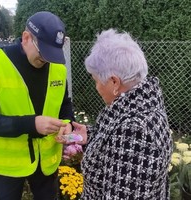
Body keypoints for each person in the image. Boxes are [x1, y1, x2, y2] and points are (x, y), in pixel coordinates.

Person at [58, 29, 173, 199]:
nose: (96, 87)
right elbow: (113, 139)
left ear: (114, 82)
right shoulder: (137, 103)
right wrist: (86, 135)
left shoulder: (135, 131)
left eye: (96, 81)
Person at [0, 11, 74, 200]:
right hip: (7, 165)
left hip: (46, 161)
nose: (47, 60)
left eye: (52, 53)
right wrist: (31, 124)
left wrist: (68, 123)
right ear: (26, 38)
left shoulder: (57, 67)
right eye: (43, 52)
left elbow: (65, 104)